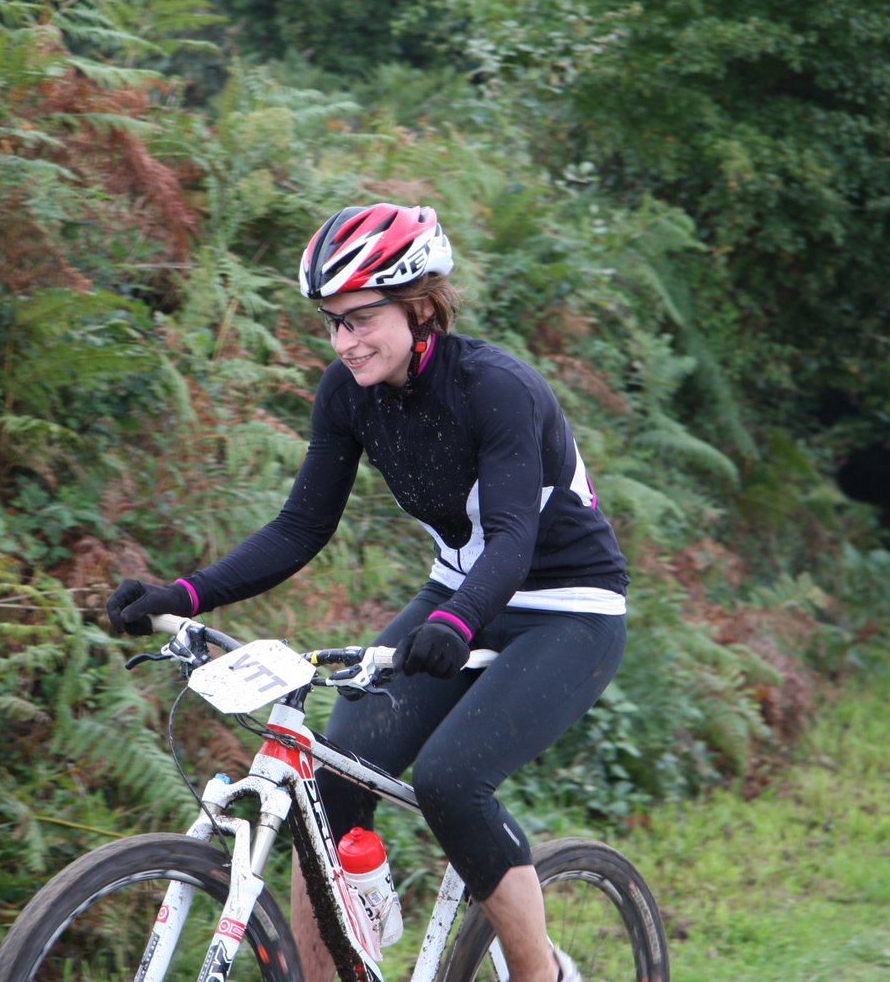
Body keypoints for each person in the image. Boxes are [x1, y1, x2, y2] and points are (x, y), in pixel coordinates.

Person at [105, 203, 629, 982]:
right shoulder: (349, 393)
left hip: (570, 610)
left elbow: (513, 533)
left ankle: (540, 974)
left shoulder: (496, 388)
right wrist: (183, 593)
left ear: (421, 308)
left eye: (361, 318)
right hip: (460, 594)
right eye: (333, 323)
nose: (345, 341)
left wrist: (456, 619)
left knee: (452, 780)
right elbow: (300, 526)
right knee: (332, 776)